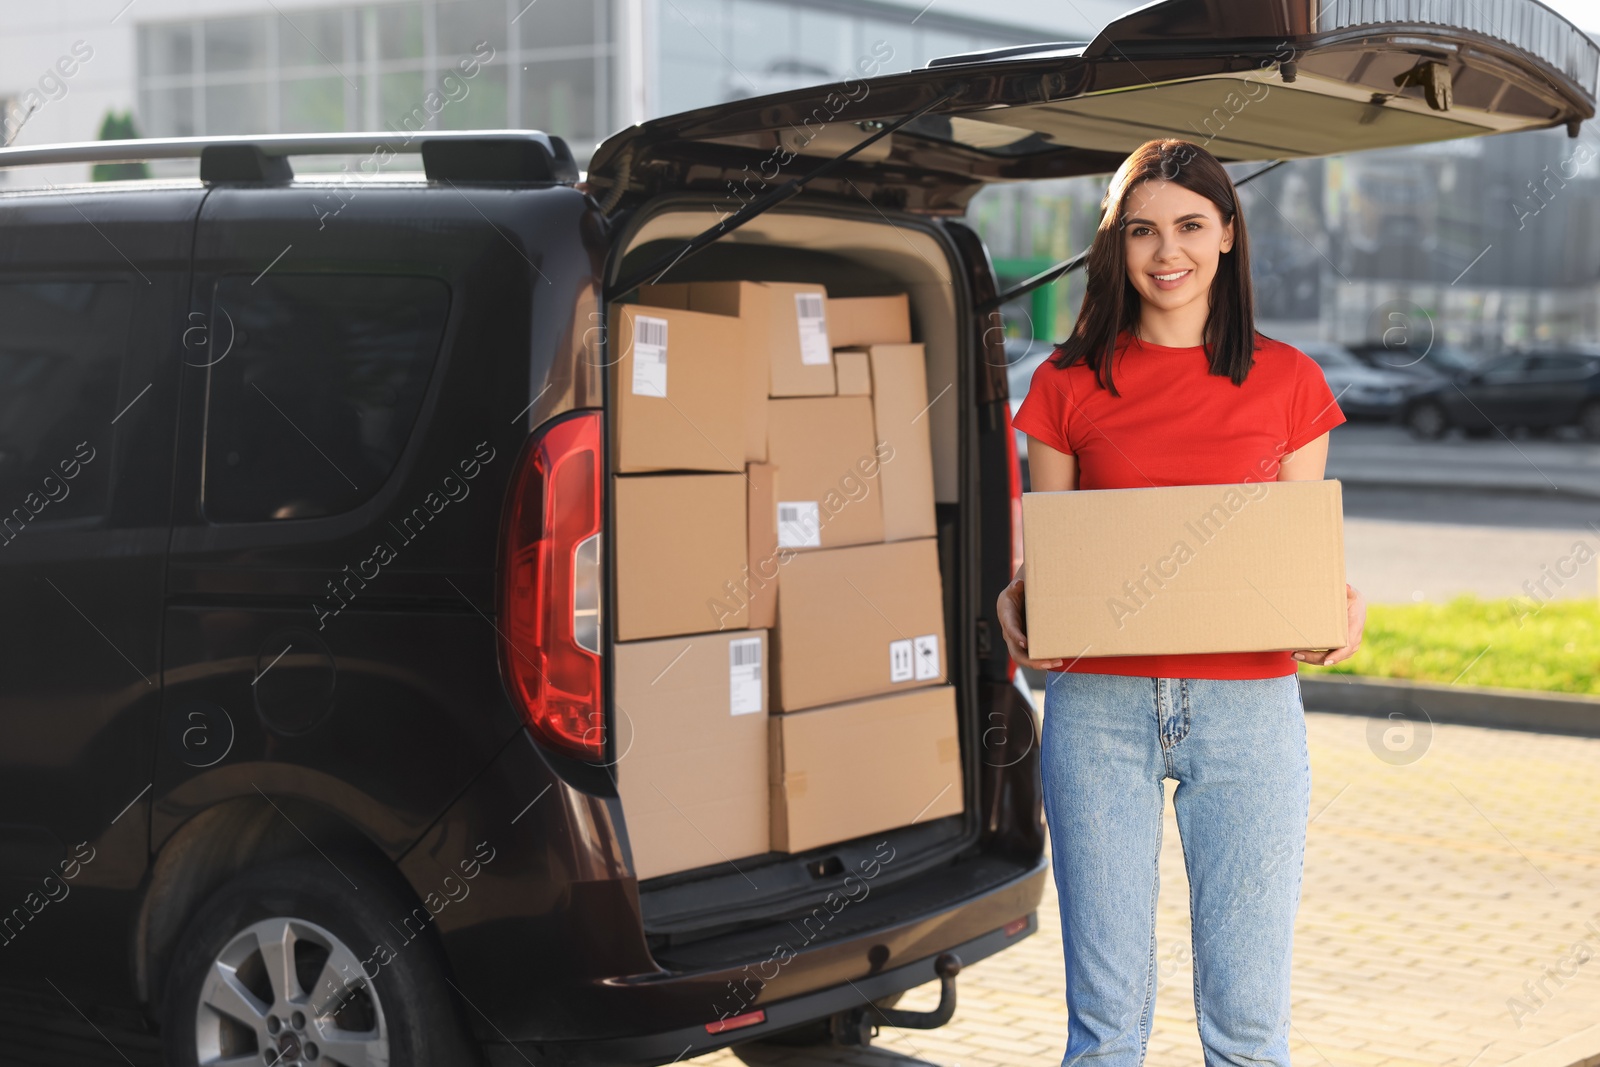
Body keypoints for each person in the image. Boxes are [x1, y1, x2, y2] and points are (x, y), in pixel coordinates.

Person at [998, 138, 1367, 1066]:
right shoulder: (1066, 383)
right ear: (1115, 247)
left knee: (1247, 1029)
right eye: (1143, 231)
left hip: (1248, 712)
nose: (1169, 252)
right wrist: (1020, 591)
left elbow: (1292, 559)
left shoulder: (1289, 383)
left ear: (1229, 236)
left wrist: (1336, 606)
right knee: (1106, 1029)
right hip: (1098, 709)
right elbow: (1052, 552)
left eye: (1191, 225)